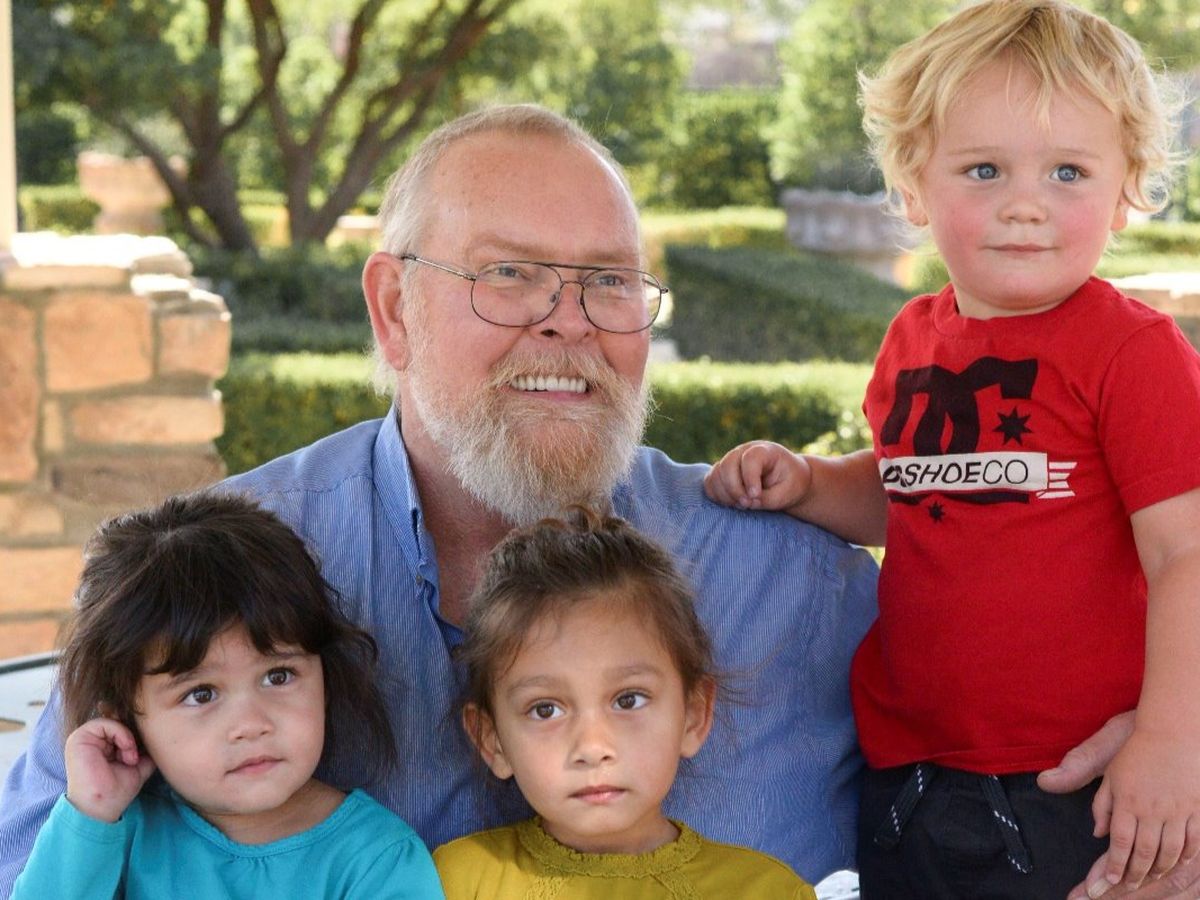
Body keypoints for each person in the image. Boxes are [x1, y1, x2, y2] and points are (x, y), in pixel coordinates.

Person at [0, 103, 1148, 897]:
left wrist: (1167, 732)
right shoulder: (214, 581)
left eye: (608, 282)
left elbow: (1037, 637)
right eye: (509, 276)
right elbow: (32, 862)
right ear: (393, 310)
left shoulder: (789, 575)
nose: (569, 321)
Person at [704, 2, 1200, 898]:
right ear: (913, 188)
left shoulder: (1133, 352)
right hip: (911, 776)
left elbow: (1187, 555)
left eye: (1068, 171)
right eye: (983, 169)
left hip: (1073, 780)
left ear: (1127, 188)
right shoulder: (912, 338)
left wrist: (1173, 740)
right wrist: (810, 483)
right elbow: (916, 490)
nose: (1024, 203)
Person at [9, 492, 444, 899]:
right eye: (201, 694)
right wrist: (91, 811)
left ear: (325, 679)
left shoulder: (377, 860)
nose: (251, 725)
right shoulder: (114, 835)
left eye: (278, 676)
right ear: (126, 720)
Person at [435, 507, 816, 897]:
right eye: (545, 709)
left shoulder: (766, 891)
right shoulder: (453, 884)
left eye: (628, 700)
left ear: (693, 715)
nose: (592, 748)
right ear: (492, 740)